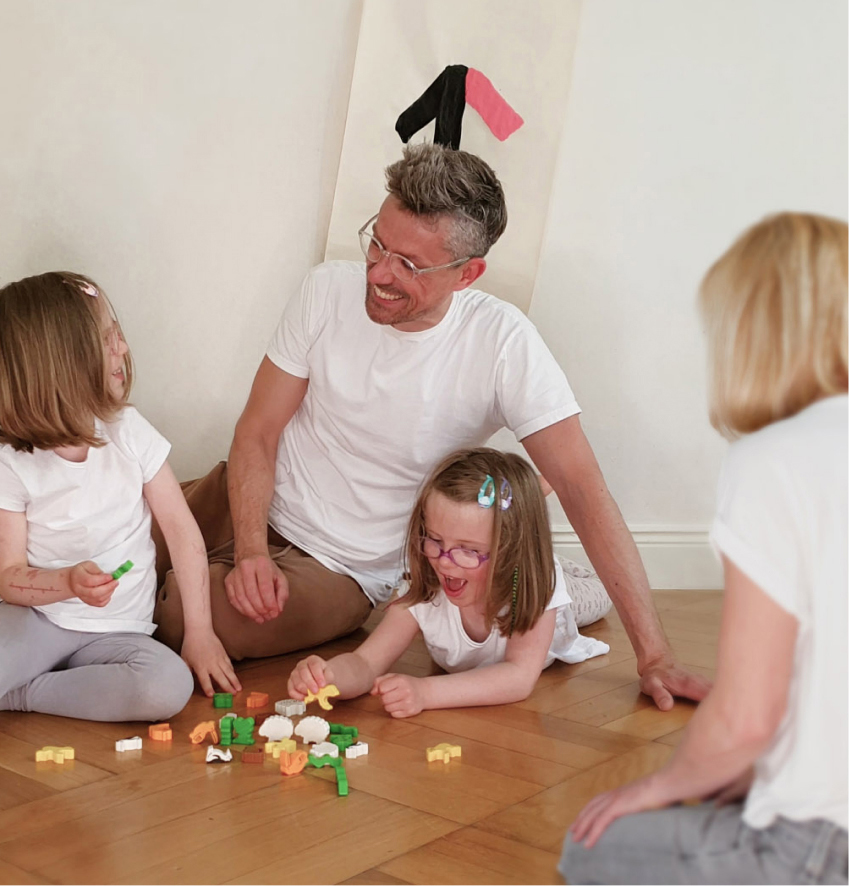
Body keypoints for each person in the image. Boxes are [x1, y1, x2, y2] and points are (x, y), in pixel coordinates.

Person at [154, 143, 708, 711]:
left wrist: (654, 656)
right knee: (92, 547)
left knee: (179, 616)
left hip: (342, 567)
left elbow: (581, 487)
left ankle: (566, 591)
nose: (380, 273)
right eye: (378, 243)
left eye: (410, 265)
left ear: (467, 274)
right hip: (242, 496)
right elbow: (257, 433)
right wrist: (249, 549)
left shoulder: (502, 343)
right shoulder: (325, 289)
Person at [560, 213, 848, 884]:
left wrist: (657, 787)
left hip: (821, 847)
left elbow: (747, 715)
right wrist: (756, 769)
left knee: (591, 847)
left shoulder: (778, 458)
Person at [0, 271, 238, 721]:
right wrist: (66, 583)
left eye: (116, 334)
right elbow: (8, 576)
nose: (121, 348)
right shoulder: (5, 464)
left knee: (166, 686)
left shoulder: (129, 431)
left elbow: (181, 531)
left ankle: (11, 694)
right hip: (36, 622)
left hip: (120, 632)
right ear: (59, 369)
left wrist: (200, 631)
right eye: (106, 340)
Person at [286, 448, 608, 717]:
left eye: (467, 550)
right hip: (515, 559)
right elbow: (365, 662)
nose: (443, 561)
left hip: (545, 586)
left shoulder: (534, 586)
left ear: (510, 552)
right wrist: (329, 677)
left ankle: (545, 535)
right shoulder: (425, 591)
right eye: (435, 540)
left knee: (603, 589)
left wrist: (425, 692)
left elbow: (518, 677)